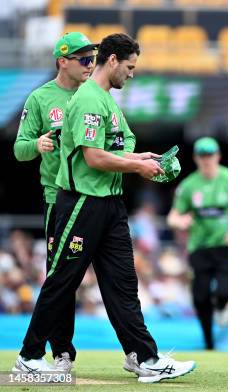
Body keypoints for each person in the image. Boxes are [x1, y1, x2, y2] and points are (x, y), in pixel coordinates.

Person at [13, 33, 195, 383]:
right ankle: (30, 356)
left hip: (109, 204)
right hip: (83, 201)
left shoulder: (106, 100)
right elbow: (93, 158)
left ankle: (145, 357)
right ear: (112, 61)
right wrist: (138, 168)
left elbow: (108, 149)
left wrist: (139, 156)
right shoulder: (88, 101)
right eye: (129, 67)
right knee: (62, 281)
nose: (131, 74)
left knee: (123, 285)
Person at [13, 31, 98, 373]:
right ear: (62, 61)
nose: (90, 65)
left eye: (93, 59)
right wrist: (38, 146)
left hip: (95, 197)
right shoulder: (40, 98)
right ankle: (61, 351)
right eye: (84, 59)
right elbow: (19, 149)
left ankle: (140, 352)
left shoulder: (96, 95)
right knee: (62, 275)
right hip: (58, 198)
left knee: (106, 276)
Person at [167, 137, 228, 350]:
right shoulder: (189, 185)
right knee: (200, 297)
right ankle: (209, 342)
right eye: (202, 155)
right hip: (199, 248)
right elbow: (172, 216)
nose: (206, 159)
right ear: (196, 158)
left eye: (210, 155)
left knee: (225, 290)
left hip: (225, 247)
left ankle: (221, 307)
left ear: (218, 156)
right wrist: (180, 221)